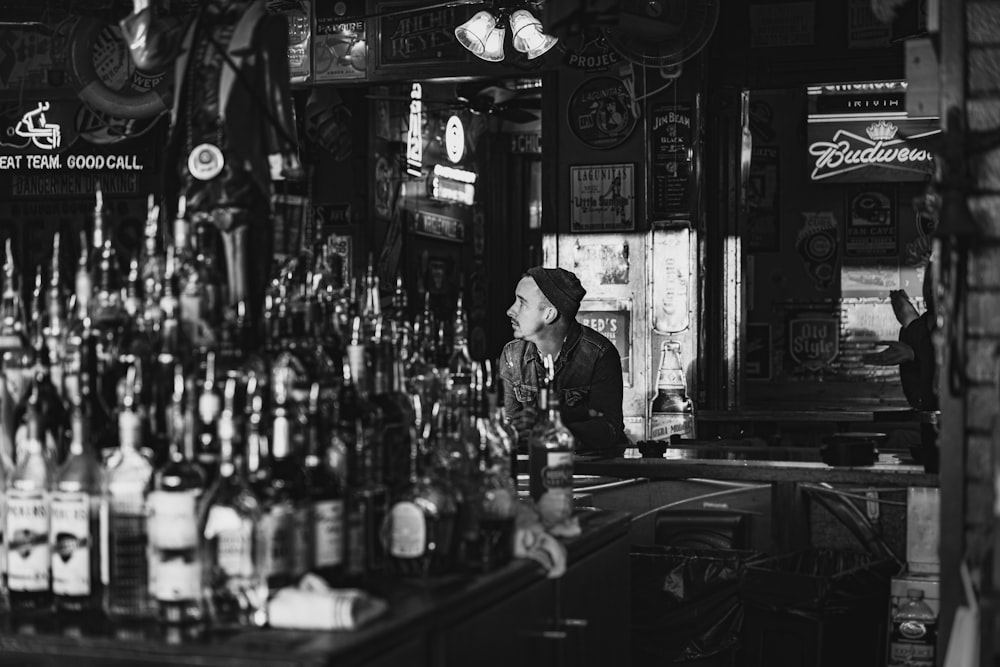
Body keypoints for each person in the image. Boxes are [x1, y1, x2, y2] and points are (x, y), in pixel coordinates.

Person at [120, 0, 302, 336]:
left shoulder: (264, 24)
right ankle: (196, 332)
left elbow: (276, 94)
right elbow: (146, 55)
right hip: (191, 157)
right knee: (189, 247)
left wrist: (281, 159)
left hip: (237, 158)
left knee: (237, 242)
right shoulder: (192, 24)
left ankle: (243, 330)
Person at [499, 266, 628, 455]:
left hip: (592, 470)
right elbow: (507, 426)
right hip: (536, 465)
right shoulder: (512, 354)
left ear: (549, 314)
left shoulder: (599, 354)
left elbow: (608, 429)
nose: (510, 311)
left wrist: (549, 429)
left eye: (522, 303)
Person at [863, 264, 938, 470]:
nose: (937, 290)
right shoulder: (920, 328)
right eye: (932, 284)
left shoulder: (967, 325)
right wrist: (913, 354)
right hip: (933, 425)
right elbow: (919, 396)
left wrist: (915, 354)